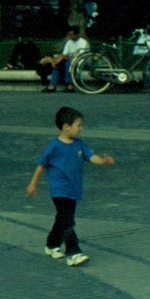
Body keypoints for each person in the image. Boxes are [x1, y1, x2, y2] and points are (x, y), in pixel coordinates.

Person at [25, 106, 115, 266]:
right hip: (59, 190)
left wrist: (103, 161)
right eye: (78, 125)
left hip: (73, 190)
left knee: (62, 219)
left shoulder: (80, 144)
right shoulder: (54, 146)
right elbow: (41, 165)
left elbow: (91, 156)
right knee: (67, 220)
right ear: (66, 127)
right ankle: (74, 252)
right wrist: (33, 184)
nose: (81, 128)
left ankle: (51, 244)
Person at [43, 25, 89, 92]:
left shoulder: (83, 42)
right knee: (57, 64)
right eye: (69, 35)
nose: (70, 37)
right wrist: (57, 60)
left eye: (72, 35)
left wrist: (68, 57)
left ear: (77, 34)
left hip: (80, 62)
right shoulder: (69, 42)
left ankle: (69, 85)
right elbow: (64, 54)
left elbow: (80, 56)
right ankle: (52, 85)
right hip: (70, 60)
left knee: (69, 63)